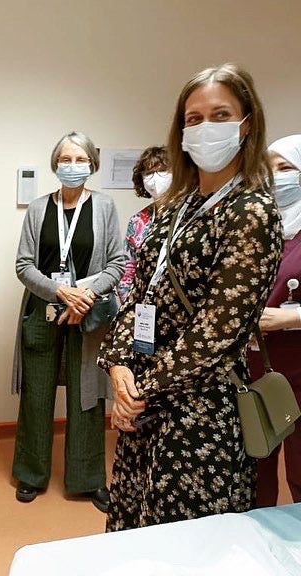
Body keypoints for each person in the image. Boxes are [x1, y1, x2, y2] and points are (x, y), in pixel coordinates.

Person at [98, 63, 284, 531]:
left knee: (186, 543)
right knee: (133, 534)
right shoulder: (173, 208)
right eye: (194, 118)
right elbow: (140, 296)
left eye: (220, 115)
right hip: (144, 408)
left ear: (247, 125)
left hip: (201, 414)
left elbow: (217, 332)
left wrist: (139, 390)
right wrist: (119, 367)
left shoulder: (253, 212)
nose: (205, 128)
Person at [11, 132, 124, 512]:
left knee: (86, 395)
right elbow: (23, 265)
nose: (72, 166)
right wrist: (62, 294)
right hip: (45, 309)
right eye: (66, 158)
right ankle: (31, 472)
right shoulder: (38, 208)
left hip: (88, 315)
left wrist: (84, 297)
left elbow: (117, 264)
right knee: (37, 394)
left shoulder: (105, 207)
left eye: (80, 159)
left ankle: (88, 478)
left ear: (91, 164)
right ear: (54, 164)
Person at [250, 134, 301, 507]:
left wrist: (289, 318)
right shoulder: (261, 225)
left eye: (286, 168)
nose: (275, 177)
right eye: (269, 169)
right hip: (255, 368)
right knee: (255, 464)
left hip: (298, 368)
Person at [117, 146, 171, 302]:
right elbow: (127, 268)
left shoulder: (190, 215)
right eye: (148, 173)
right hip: (142, 306)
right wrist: (130, 304)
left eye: (162, 170)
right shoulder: (138, 221)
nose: (155, 177)